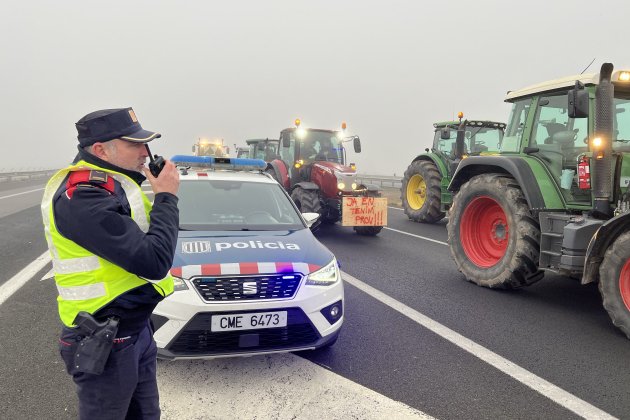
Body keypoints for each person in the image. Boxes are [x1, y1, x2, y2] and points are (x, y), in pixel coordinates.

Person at [40, 107, 180, 419]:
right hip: (104, 337)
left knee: (145, 414)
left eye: (146, 144)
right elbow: (154, 261)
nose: (146, 152)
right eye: (135, 144)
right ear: (101, 149)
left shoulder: (115, 185)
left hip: (134, 330)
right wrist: (167, 197)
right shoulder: (82, 196)